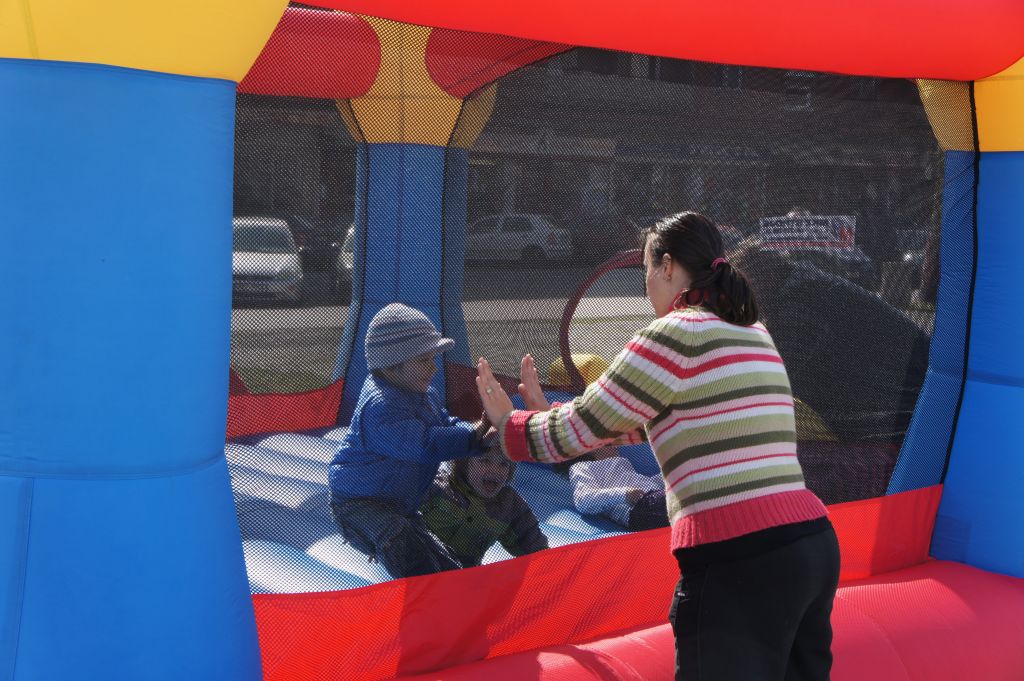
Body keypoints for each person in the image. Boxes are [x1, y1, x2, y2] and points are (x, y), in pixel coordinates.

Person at [476, 212, 840, 680]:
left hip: (740, 558)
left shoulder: (674, 333)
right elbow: (666, 424)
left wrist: (509, 424)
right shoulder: (752, 332)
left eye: (646, 271)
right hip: (810, 547)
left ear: (667, 267)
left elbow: (579, 428)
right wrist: (548, 414)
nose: (645, 286)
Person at [328, 303, 493, 578]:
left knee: (444, 564)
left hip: (398, 502)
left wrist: (478, 435)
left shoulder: (424, 394)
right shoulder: (380, 407)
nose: (434, 368)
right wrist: (472, 436)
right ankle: (421, 593)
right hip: (359, 504)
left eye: (433, 358)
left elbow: (445, 423)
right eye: (424, 360)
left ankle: (452, 585)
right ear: (391, 368)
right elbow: (423, 444)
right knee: (402, 542)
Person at [420, 447, 548, 568]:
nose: (495, 470)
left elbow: (533, 544)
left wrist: (547, 565)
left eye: (504, 464)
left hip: (463, 576)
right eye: (485, 460)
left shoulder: (508, 505)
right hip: (419, 567)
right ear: (463, 463)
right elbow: (408, 509)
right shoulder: (437, 488)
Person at [564, 447, 669, 531]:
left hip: (656, 499)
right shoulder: (583, 467)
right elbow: (583, 500)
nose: (616, 446)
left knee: (673, 494)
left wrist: (668, 474)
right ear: (591, 448)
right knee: (671, 499)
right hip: (640, 509)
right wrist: (624, 494)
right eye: (609, 443)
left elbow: (648, 483)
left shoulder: (621, 464)